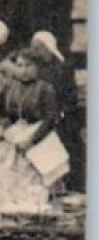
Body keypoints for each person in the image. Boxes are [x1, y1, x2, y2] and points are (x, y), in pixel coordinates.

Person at [0, 46, 64, 228]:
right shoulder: (9, 87)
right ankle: (2, 226)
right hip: (12, 139)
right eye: (20, 65)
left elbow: (51, 118)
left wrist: (32, 140)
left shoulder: (45, 89)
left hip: (37, 141)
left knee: (32, 184)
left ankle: (30, 227)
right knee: (5, 181)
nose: (24, 70)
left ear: (38, 68)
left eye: (29, 66)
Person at [28, 30, 85, 193]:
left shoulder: (62, 68)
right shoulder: (34, 68)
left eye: (38, 48)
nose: (35, 52)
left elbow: (70, 96)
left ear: (47, 48)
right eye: (33, 48)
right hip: (41, 121)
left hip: (61, 121)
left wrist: (61, 114)